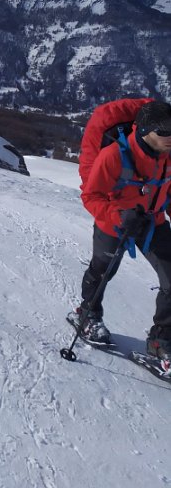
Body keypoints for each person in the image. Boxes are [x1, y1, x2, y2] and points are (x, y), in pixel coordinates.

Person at [69, 101, 171, 361]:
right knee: (103, 271)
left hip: (153, 222)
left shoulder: (169, 156)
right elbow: (91, 196)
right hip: (115, 223)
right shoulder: (113, 156)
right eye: (165, 132)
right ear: (145, 130)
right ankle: (88, 314)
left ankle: (161, 341)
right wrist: (118, 216)